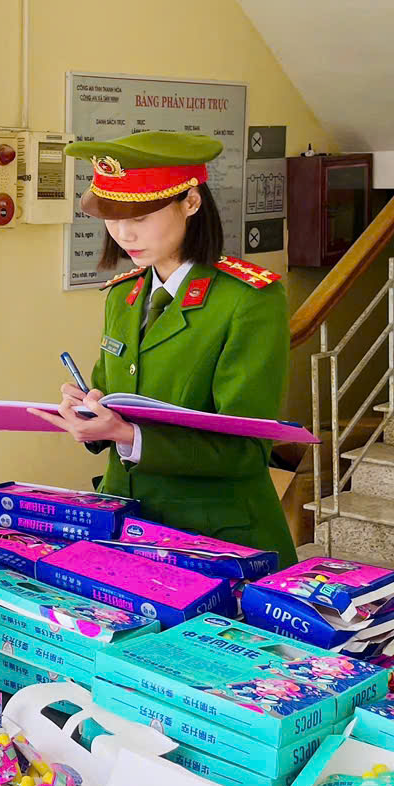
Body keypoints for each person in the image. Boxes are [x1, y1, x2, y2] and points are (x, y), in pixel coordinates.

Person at [29, 131, 296, 566]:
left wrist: (128, 436)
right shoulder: (124, 295)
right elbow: (109, 396)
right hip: (126, 523)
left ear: (191, 202)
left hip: (213, 535)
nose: (124, 233)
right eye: (113, 218)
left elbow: (247, 452)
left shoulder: (248, 300)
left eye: (140, 216)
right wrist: (86, 413)